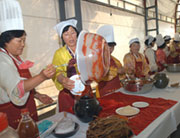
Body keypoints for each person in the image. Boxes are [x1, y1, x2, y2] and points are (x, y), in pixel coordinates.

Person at [0, 0, 56, 129]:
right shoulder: (2, 61)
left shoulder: (16, 58)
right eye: (19, 41)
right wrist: (42, 77)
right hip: (11, 114)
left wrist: (37, 95)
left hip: (27, 108)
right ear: (6, 41)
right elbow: (17, 88)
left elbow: (23, 81)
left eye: (24, 40)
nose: (23, 45)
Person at [52, 19, 91, 112]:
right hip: (67, 92)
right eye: (66, 34)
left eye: (73, 33)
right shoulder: (59, 53)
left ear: (77, 34)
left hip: (85, 90)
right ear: (62, 37)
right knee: (69, 120)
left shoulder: (85, 49)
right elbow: (57, 72)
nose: (70, 37)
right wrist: (63, 80)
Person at [95, 25, 125, 98]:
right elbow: (100, 74)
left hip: (118, 90)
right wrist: (117, 71)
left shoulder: (115, 60)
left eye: (112, 47)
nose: (110, 49)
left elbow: (121, 77)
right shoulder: (97, 59)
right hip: (104, 92)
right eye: (108, 47)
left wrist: (125, 72)